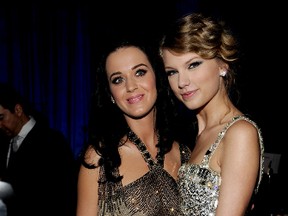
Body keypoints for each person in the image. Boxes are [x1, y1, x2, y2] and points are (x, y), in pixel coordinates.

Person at [159, 13, 265, 215]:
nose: (182, 82)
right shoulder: (200, 135)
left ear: (222, 65)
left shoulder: (239, 133)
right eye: (172, 72)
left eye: (193, 65)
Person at [76, 37, 191, 216]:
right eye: (118, 80)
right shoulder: (99, 159)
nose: (130, 86)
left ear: (156, 77)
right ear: (111, 94)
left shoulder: (186, 153)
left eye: (139, 72)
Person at [0, 82, 78, 216]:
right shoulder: (4, 141)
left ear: (18, 110)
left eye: (1, 118)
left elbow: (64, 195)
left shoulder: (52, 141)